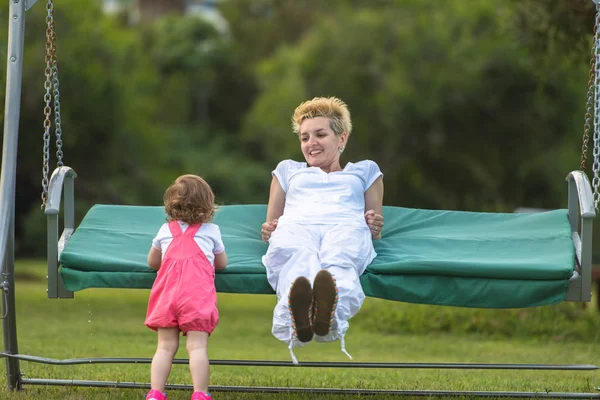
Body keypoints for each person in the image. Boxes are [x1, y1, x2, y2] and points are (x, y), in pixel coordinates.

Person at [261, 96, 385, 363]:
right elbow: (272, 222)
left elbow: (374, 224)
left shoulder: (365, 172)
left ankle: (324, 313)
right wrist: (269, 229)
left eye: (320, 134)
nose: (311, 143)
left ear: (342, 138)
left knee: (340, 256)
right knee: (295, 253)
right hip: (297, 224)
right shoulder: (288, 171)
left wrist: (374, 225)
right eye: (304, 138)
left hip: (345, 225)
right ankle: (302, 315)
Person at [144, 174, 228, 400]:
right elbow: (222, 264)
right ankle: (200, 394)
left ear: (171, 205)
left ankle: (156, 393)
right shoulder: (211, 231)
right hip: (196, 297)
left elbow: (153, 262)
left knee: (164, 347)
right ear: (207, 204)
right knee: (197, 348)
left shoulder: (165, 230)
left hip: (167, 296)